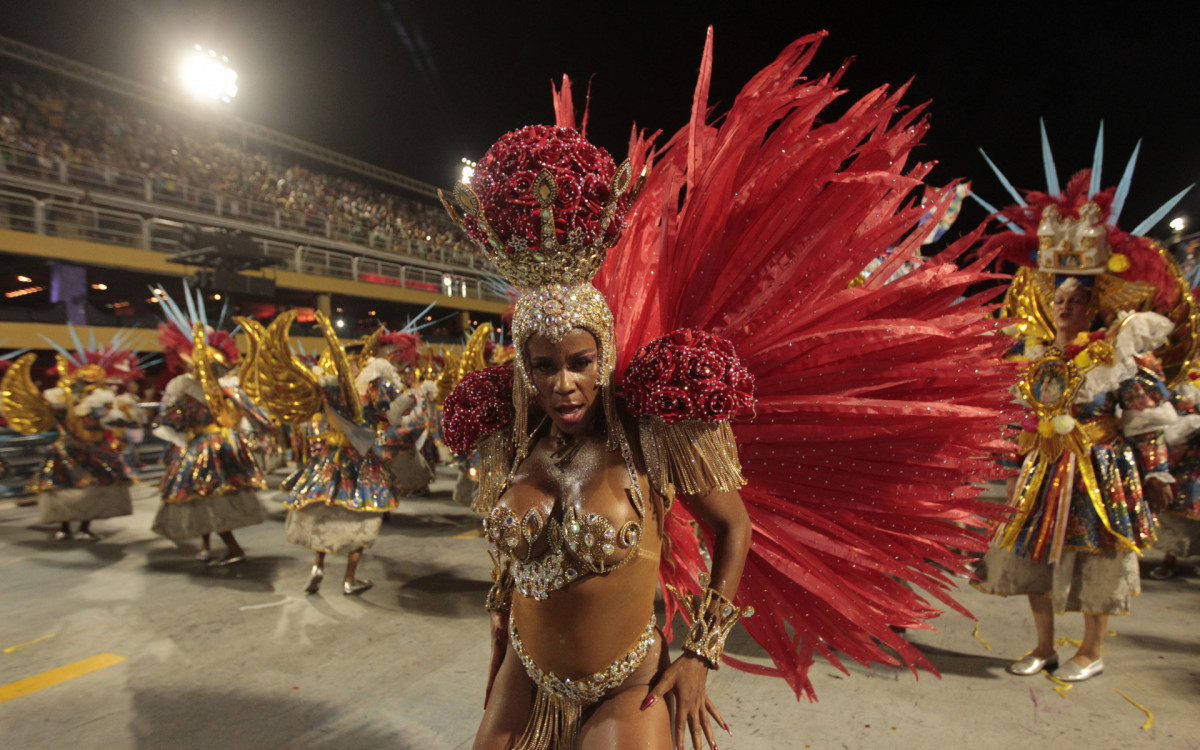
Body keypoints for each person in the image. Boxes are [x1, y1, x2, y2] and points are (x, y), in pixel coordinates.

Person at [442, 29, 1017, 749]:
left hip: (628, 681)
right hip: (526, 676)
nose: (565, 383)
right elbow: (511, 568)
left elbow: (732, 527)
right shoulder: (507, 427)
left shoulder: (654, 426)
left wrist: (702, 652)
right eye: (545, 365)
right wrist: (499, 645)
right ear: (523, 367)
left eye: (580, 362)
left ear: (606, 356)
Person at [974, 130, 1193, 682]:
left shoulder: (1119, 351)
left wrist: (1159, 470)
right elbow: (1017, 411)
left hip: (1102, 468)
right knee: (1032, 555)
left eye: (1078, 298)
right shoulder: (1037, 353)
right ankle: (1044, 645)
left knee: (1098, 557)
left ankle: (1091, 651)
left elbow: (1145, 414)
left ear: (1094, 304)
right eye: (1060, 298)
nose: (1067, 304)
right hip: (1044, 465)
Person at [252, 313, 423, 595]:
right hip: (361, 459)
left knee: (325, 515)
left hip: (330, 457)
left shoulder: (326, 387)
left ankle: (318, 566)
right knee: (363, 519)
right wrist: (411, 396)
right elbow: (394, 416)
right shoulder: (375, 383)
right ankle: (349, 579)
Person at [150, 291, 266, 564]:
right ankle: (206, 544)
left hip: (216, 446)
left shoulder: (227, 389)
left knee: (211, 498)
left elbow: (245, 416)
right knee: (200, 500)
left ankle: (232, 547)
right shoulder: (183, 386)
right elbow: (170, 419)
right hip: (197, 446)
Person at [0, 342, 145, 541]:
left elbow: (115, 421)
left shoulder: (101, 403)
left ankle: (84, 527)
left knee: (93, 491)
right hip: (68, 450)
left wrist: (125, 415)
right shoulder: (61, 402)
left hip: (95, 449)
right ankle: (66, 527)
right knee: (64, 490)